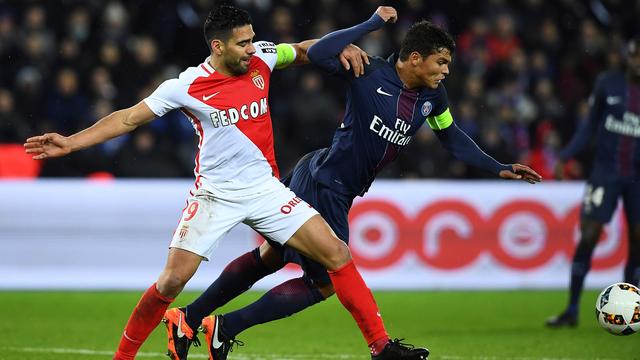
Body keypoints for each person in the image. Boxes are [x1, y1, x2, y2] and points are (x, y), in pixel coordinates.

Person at [24, 5, 427, 360]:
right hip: (215, 194)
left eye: (252, 40)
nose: (252, 48)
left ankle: (380, 348)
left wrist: (339, 44)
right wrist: (71, 143)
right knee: (172, 281)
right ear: (218, 47)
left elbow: (303, 51)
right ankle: (124, 356)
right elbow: (128, 118)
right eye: (242, 44)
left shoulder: (262, 60)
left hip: (266, 190)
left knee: (336, 254)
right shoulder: (184, 86)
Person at [165, 6, 542, 360]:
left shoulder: (431, 97)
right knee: (325, 282)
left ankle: (190, 317)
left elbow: (451, 136)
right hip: (327, 183)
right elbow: (322, 52)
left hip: (326, 179)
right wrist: (370, 23)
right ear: (415, 58)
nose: (446, 71)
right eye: (441, 62)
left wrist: (498, 167)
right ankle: (229, 327)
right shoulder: (369, 72)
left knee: (272, 257)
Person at [546, 36, 640, 328]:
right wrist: (566, 155)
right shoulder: (607, 83)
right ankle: (572, 309)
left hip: (637, 177)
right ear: (629, 56)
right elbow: (588, 127)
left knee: (638, 242)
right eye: (637, 56)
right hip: (605, 172)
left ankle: (630, 308)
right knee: (588, 236)